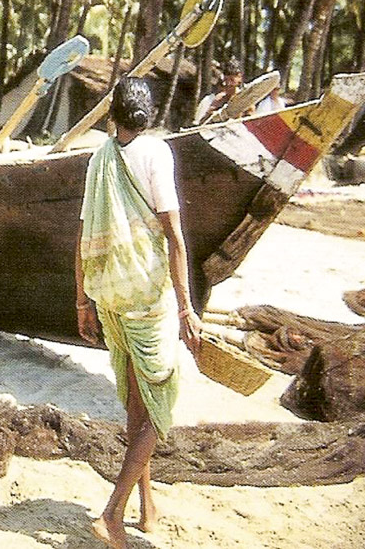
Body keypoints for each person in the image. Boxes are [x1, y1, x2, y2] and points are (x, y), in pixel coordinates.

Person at [74, 77, 200, 548]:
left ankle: (146, 506)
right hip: (146, 297)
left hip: (107, 293)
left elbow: (82, 237)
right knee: (156, 399)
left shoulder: (99, 158)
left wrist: (81, 301)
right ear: (148, 117)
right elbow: (174, 236)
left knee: (134, 395)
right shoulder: (155, 153)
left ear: (113, 116)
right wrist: (187, 308)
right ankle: (112, 514)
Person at [194, 57, 243, 124]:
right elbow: (202, 122)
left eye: (232, 80)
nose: (228, 83)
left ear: (240, 78)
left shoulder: (245, 99)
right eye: (226, 79)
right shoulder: (217, 99)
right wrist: (211, 113)